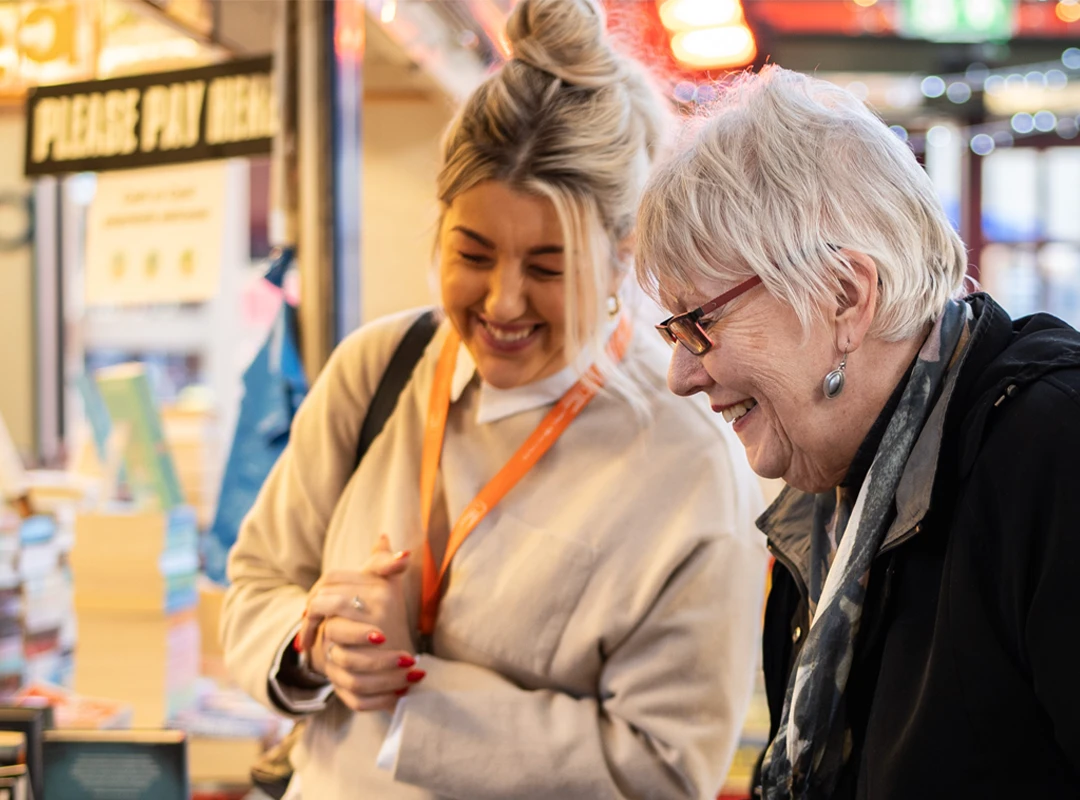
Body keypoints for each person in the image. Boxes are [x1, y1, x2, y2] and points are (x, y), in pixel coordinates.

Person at [221, 1, 768, 798]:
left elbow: (662, 765)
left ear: (622, 258)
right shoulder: (380, 369)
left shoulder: (688, 456)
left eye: (547, 268)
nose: (503, 303)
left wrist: (414, 694)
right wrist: (314, 649)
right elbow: (259, 582)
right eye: (471, 253)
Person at [635, 65, 1080, 800]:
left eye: (700, 325)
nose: (680, 374)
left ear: (845, 296)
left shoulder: (1053, 451)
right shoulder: (831, 499)